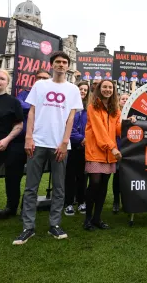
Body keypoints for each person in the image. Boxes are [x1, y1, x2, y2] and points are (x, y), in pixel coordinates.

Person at [13, 51, 83, 245]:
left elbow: (71, 117)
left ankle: (55, 224)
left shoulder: (73, 90)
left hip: (60, 144)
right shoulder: (40, 85)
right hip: (38, 141)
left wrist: (64, 142)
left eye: (64, 62)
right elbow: (32, 111)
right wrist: (28, 137)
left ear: (68, 66)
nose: (61, 65)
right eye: (58, 62)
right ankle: (28, 227)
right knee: (31, 187)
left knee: (59, 187)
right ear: (52, 65)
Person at [0, 69, 49, 220]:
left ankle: (27, 208)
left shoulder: (51, 97)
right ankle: (10, 207)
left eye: (45, 78)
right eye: (39, 78)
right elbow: (20, 105)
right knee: (12, 175)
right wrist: (40, 109)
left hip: (40, 142)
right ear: (34, 79)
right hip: (18, 141)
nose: (42, 80)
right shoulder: (24, 93)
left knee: (34, 177)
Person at [83, 79, 122, 230]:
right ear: (99, 89)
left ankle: (97, 218)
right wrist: (112, 147)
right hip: (96, 152)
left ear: (113, 90)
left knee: (104, 186)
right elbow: (99, 130)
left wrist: (129, 122)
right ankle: (87, 219)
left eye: (110, 87)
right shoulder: (93, 107)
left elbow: (118, 129)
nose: (107, 89)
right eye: (104, 87)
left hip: (110, 154)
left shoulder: (116, 110)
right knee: (94, 185)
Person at [0, 70, 23, 212]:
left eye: (1, 78)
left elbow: (19, 125)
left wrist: (7, 139)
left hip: (2, 146)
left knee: (11, 178)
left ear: (7, 83)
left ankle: (11, 207)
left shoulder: (13, 102)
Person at [64, 81, 90, 216]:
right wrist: (81, 138)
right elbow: (68, 126)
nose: (83, 91)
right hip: (70, 146)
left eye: (85, 90)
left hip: (85, 148)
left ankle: (81, 202)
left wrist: (86, 139)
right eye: (81, 89)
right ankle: (68, 203)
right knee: (69, 176)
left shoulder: (88, 109)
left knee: (82, 176)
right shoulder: (69, 106)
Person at [112, 92, 130, 213]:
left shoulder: (134, 113)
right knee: (117, 175)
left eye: (126, 99)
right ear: (119, 101)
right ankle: (116, 200)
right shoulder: (115, 114)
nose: (124, 100)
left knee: (128, 176)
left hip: (130, 150)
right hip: (118, 148)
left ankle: (126, 201)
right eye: (122, 99)